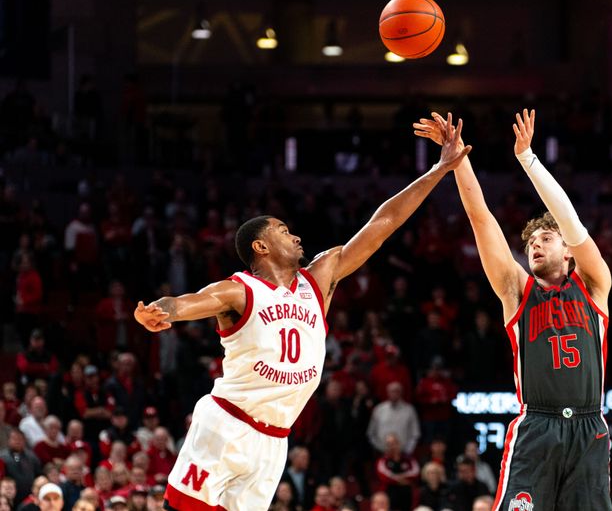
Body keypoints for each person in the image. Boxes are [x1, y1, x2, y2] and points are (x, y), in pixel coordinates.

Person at [134, 123, 471, 510]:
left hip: (275, 438)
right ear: (261, 246)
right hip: (227, 423)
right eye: (283, 230)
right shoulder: (239, 290)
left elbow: (382, 226)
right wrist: (161, 311)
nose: (295, 236)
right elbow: (187, 302)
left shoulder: (320, 279)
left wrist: (438, 170)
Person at [415, 110, 612, 510]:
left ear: (568, 253)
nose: (535, 245)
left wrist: (529, 159)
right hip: (537, 425)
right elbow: (480, 218)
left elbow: (572, 223)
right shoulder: (517, 291)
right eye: (529, 244)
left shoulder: (594, 285)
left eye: (545, 238)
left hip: (591, 427)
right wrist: (458, 159)